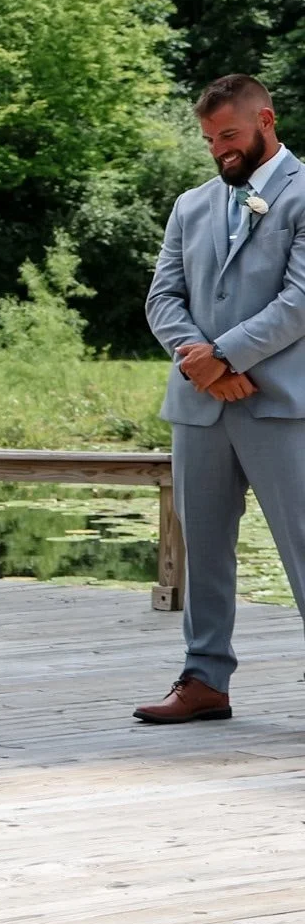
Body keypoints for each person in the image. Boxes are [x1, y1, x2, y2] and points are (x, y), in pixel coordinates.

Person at [136, 74, 305, 724]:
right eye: (209, 139)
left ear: (266, 119)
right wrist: (201, 363)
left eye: (229, 136)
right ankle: (204, 679)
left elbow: (299, 300)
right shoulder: (192, 205)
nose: (218, 151)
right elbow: (162, 298)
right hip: (200, 405)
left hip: (282, 404)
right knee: (203, 547)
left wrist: (227, 354)